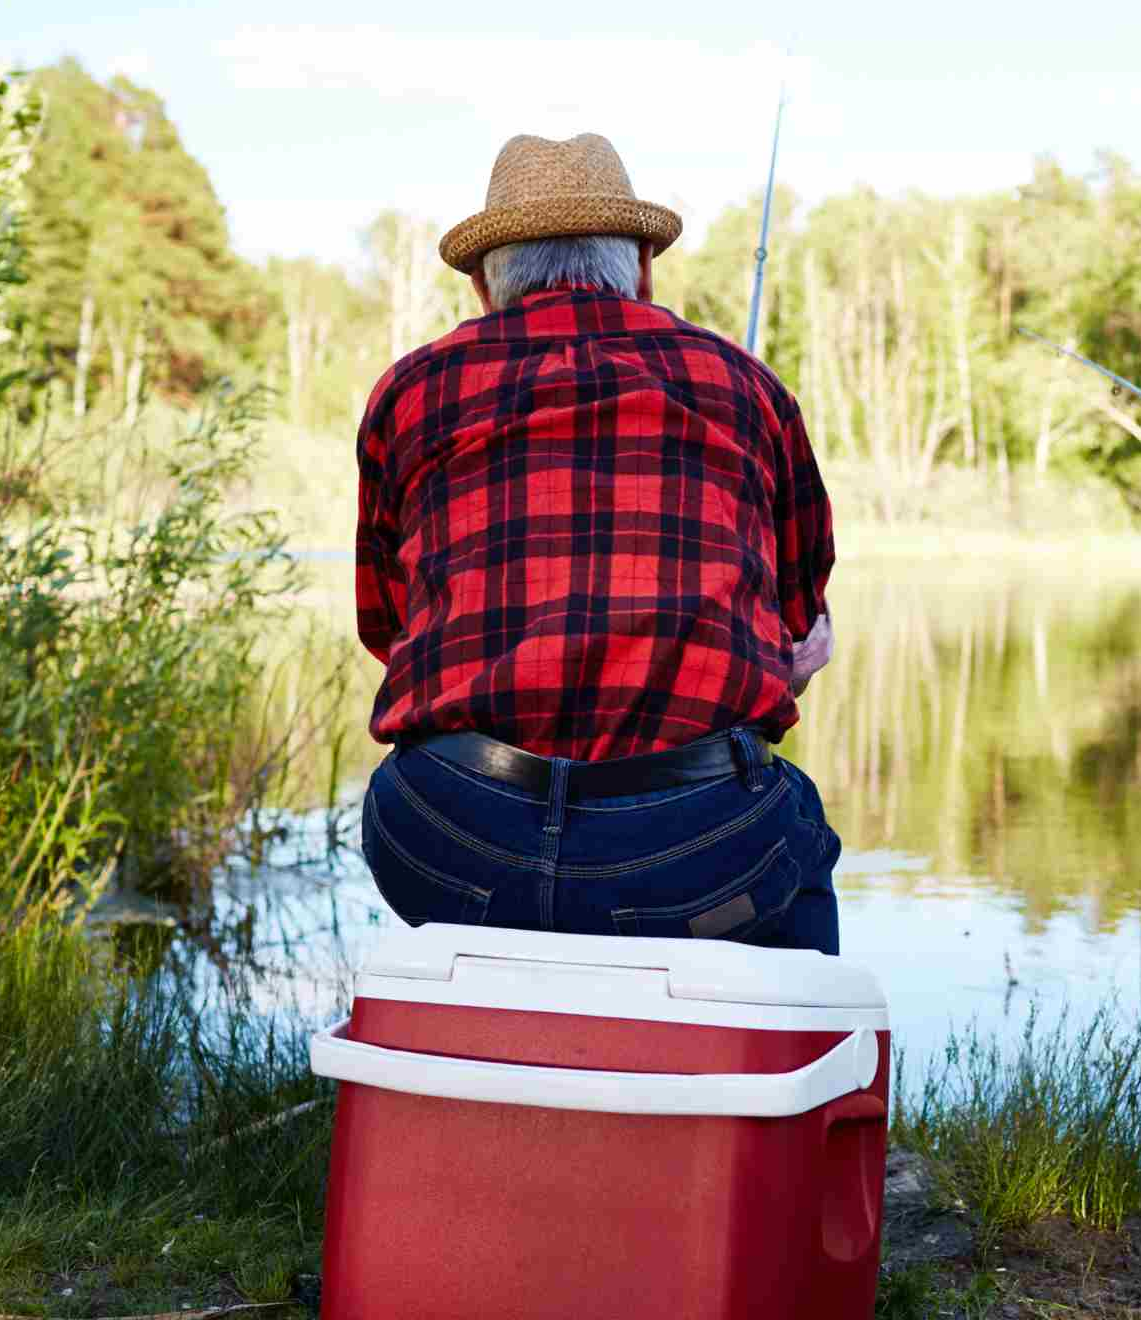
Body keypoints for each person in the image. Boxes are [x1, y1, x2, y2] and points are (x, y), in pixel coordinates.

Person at [352, 132, 845, 953]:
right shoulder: (744, 385)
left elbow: (387, 624)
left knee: (441, 826)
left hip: (448, 850)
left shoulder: (410, 391)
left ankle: (478, 1061)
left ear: (482, 284)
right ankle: (785, 1071)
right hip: (698, 866)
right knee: (792, 844)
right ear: (643, 267)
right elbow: (799, 616)